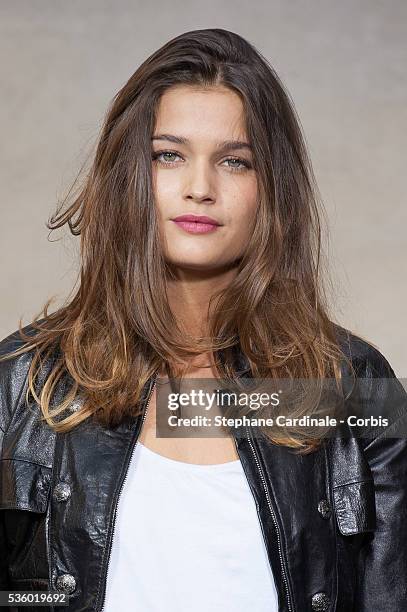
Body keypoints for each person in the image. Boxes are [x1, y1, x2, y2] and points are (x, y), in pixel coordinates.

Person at [0, 28, 406, 612]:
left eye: (235, 162)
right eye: (169, 155)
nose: (199, 188)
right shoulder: (21, 382)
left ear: (273, 190)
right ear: (127, 178)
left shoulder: (358, 385)